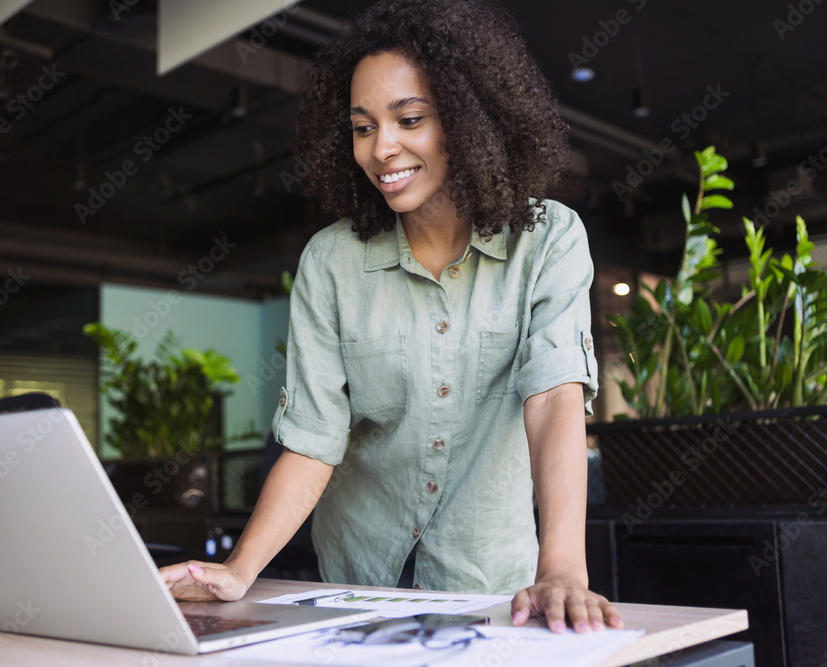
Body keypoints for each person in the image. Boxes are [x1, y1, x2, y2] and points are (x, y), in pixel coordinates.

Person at [160, 0, 622, 634]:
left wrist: (564, 568)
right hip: (359, 583)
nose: (383, 148)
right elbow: (314, 436)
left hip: (490, 587)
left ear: (468, 119)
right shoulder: (331, 262)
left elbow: (554, 396)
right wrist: (240, 569)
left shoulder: (547, 238)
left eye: (410, 119)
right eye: (362, 126)